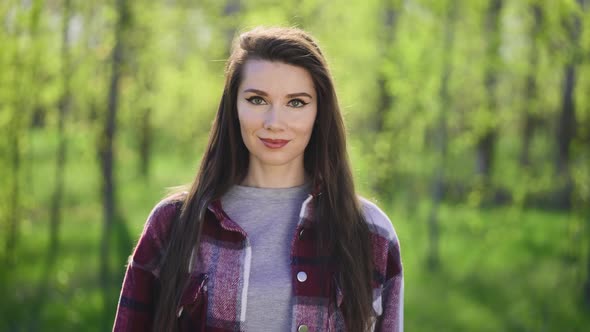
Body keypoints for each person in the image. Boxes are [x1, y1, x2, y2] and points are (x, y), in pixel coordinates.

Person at [113, 26, 403, 332]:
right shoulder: (173, 224)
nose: (274, 122)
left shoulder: (371, 234)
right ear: (233, 106)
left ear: (320, 112)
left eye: (296, 103)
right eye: (257, 100)